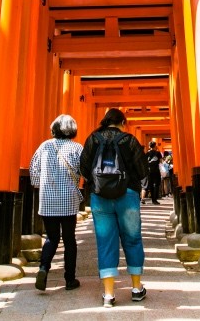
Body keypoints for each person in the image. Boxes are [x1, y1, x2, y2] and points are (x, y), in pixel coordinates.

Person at [80, 108, 149, 308]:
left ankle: (109, 294)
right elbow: (142, 169)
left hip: (100, 196)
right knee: (133, 239)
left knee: (105, 242)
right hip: (127, 195)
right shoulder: (129, 140)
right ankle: (136, 289)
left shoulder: (93, 139)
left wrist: (98, 181)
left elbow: (83, 168)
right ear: (122, 123)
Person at [29, 114, 84, 292]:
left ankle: (43, 268)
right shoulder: (77, 148)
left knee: (52, 238)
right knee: (69, 240)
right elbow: (84, 170)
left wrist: (42, 184)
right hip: (68, 200)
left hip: (47, 199)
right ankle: (70, 279)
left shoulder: (44, 146)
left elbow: (34, 170)